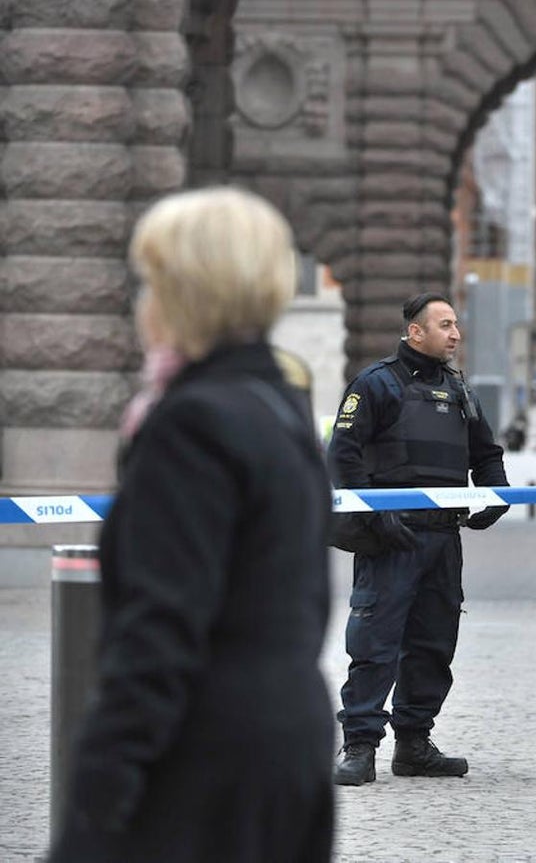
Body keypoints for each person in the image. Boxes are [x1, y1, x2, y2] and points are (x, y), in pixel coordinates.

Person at [49, 187, 334, 862]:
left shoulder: (191, 423)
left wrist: (93, 811)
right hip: (288, 747)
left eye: (151, 283)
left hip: (202, 764)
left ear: (184, 292)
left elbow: (158, 635)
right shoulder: (277, 407)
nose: (142, 302)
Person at [329, 292, 509, 785]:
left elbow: (485, 451)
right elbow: (342, 456)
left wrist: (497, 494)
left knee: (433, 644)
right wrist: (375, 514)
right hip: (392, 539)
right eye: (446, 325)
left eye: (456, 325)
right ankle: (359, 745)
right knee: (375, 642)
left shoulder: (458, 389)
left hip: (442, 539)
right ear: (416, 332)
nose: (456, 334)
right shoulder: (375, 385)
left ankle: (414, 743)